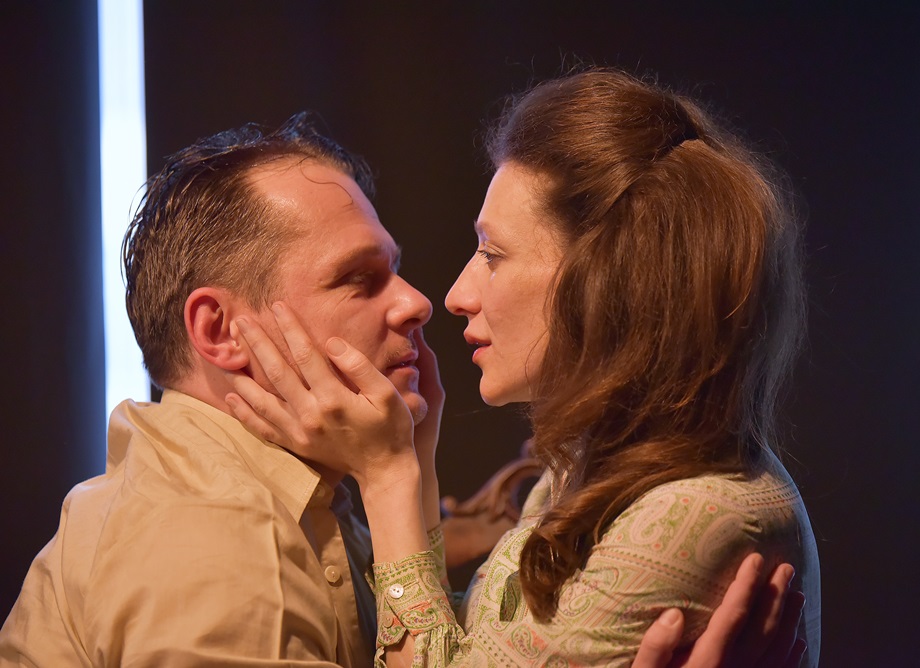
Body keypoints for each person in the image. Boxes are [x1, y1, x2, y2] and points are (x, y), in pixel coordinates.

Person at [0, 112, 801, 667]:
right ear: (221, 331)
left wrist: (401, 479)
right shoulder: (221, 548)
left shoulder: (274, 496)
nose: (421, 301)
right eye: (359, 279)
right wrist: (393, 476)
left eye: (491, 256)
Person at [227, 69, 820, 668]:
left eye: (493, 254)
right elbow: (477, 650)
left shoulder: (690, 517)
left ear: (605, 284)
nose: (455, 295)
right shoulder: (594, 462)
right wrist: (416, 464)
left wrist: (387, 477)